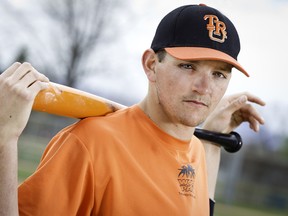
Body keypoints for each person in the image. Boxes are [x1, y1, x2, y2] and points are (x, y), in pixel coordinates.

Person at [0, 4, 265, 216]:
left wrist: (213, 139)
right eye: (188, 66)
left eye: (219, 74)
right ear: (151, 64)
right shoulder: (90, 144)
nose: (205, 88)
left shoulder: (196, 149)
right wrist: (5, 137)